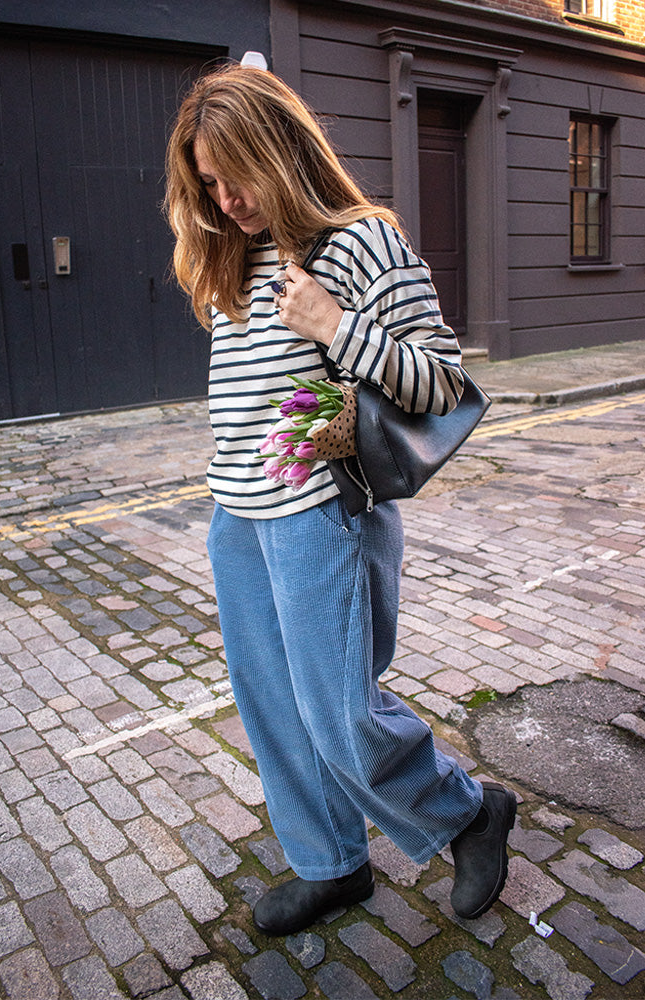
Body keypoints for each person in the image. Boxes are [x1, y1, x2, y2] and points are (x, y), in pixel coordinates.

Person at [165, 62, 516, 936]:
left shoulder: (361, 242)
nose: (226, 200)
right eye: (208, 183)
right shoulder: (232, 251)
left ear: (280, 150)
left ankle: (469, 811)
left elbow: (442, 384)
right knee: (274, 708)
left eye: (236, 176)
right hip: (238, 514)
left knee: (339, 711)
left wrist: (334, 325)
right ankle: (330, 863)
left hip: (323, 514)